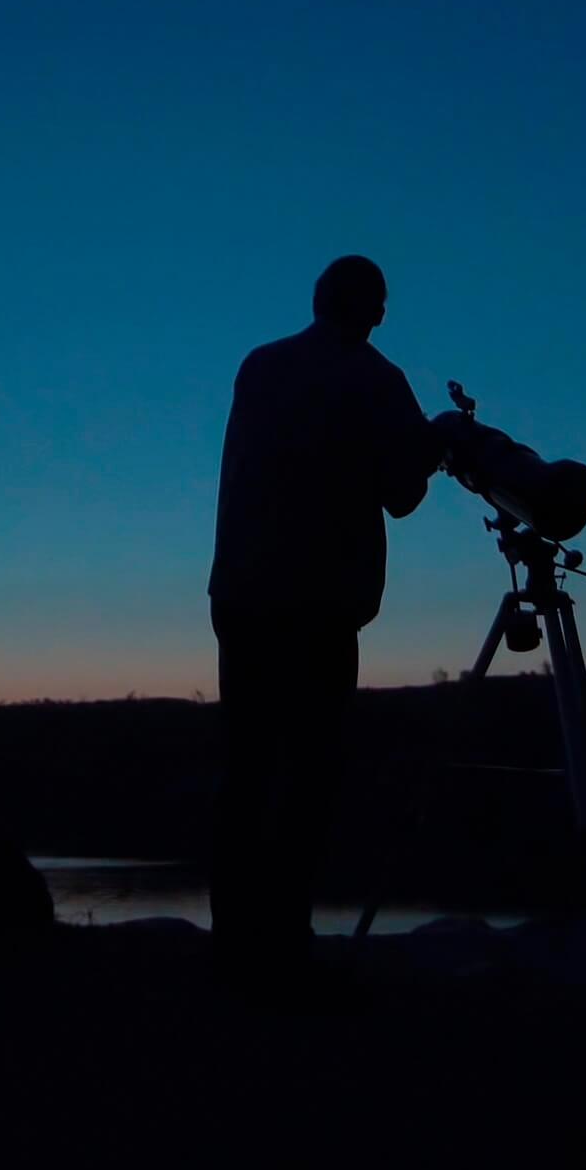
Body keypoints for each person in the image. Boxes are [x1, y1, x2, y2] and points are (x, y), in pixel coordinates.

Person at [207, 255, 441, 993]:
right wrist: (432, 446)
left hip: (243, 594)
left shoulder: (260, 365)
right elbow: (401, 494)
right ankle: (284, 944)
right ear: (375, 310)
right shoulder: (379, 381)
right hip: (321, 604)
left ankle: (236, 942)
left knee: (246, 769)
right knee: (306, 775)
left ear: (316, 300)